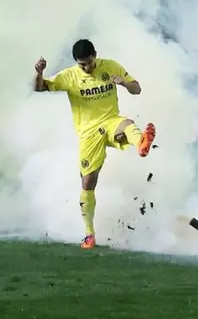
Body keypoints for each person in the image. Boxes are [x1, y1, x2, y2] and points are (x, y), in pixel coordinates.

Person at [33, 39, 156, 249]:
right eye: (82, 65)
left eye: (89, 63)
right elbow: (40, 88)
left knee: (127, 124)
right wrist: (39, 72)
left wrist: (124, 83)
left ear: (95, 55)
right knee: (88, 182)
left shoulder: (110, 66)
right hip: (88, 133)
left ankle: (141, 143)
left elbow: (137, 89)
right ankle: (89, 234)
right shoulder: (69, 76)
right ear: (76, 62)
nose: (87, 68)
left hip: (110, 121)